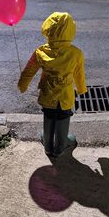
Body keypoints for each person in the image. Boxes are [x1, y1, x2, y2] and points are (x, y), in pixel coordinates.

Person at [17, 12, 87, 157]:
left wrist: (22, 85)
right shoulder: (76, 53)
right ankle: (61, 145)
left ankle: (48, 146)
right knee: (63, 116)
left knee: (48, 116)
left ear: (47, 28)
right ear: (70, 31)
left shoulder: (40, 52)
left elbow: (28, 71)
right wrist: (81, 90)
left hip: (47, 94)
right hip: (65, 96)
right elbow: (79, 75)